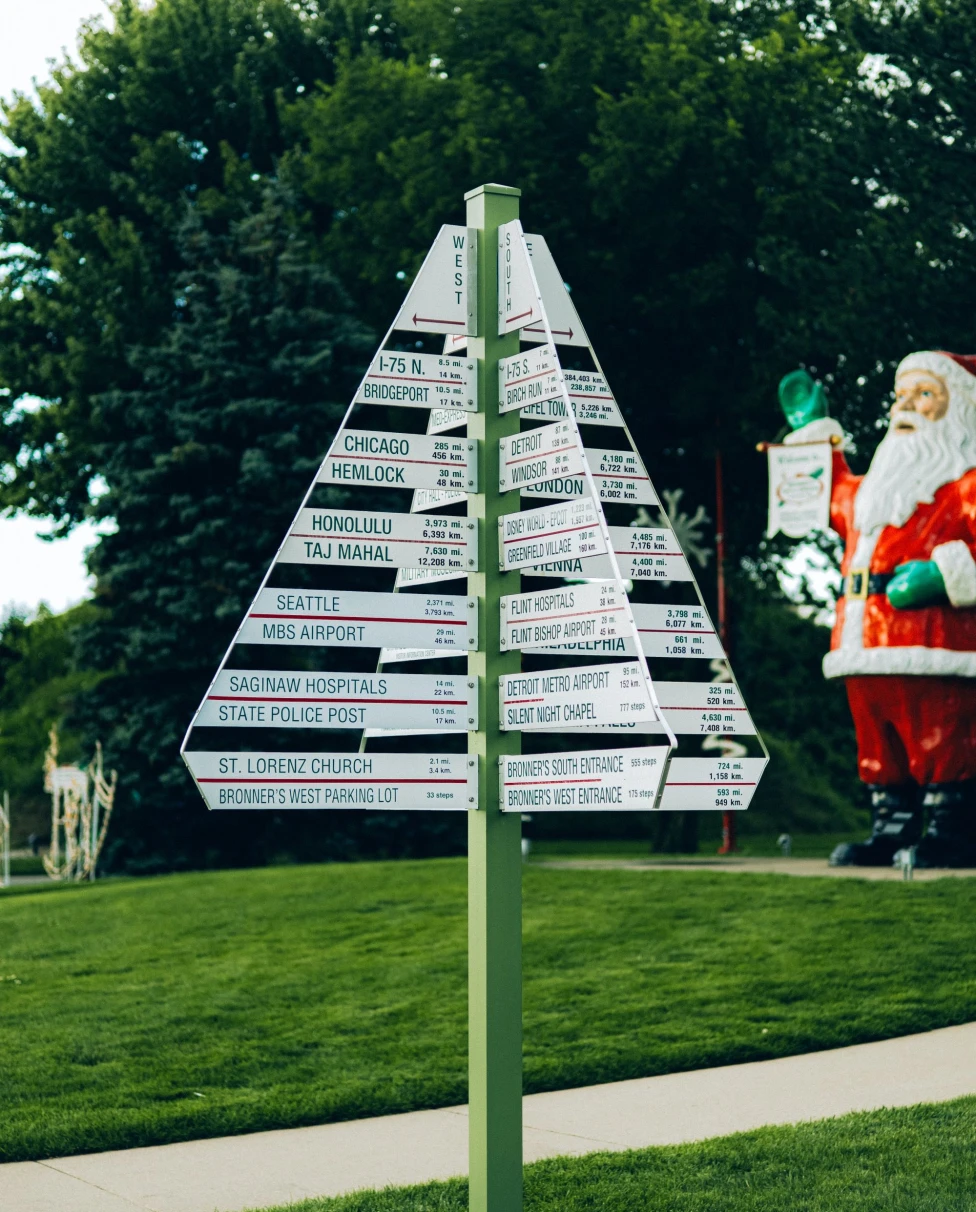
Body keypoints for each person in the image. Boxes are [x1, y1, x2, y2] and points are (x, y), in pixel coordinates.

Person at [778, 351, 976, 867]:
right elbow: (827, 495)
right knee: (878, 744)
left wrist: (942, 574)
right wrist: (814, 432)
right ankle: (890, 828)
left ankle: (951, 830)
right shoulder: (871, 495)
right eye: (902, 394)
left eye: (925, 394)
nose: (906, 405)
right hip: (862, 641)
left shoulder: (966, 489)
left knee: (941, 738)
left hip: (933, 642)